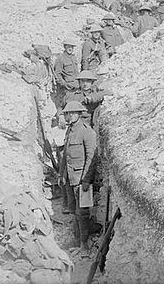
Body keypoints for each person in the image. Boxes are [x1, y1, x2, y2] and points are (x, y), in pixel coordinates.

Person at [59, 100, 97, 250]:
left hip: (81, 179)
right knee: (73, 209)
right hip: (70, 177)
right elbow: (65, 155)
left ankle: (84, 244)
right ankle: (77, 239)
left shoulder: (87, 132)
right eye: (67, 113)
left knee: (82, 213)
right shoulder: (70, 130)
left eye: (72, 113)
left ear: (79, 114)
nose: (69, 116)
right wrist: (61, 174)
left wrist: (86, 180)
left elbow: (92, 158)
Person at [51, 38, 80, 109]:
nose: (70, 48)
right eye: (68, 46)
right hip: (67, 88)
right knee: (68, 107)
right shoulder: (60, 58)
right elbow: (57, 74)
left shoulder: (74, 57)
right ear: (65, 47)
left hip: (76, 86)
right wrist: (64, 84)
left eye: (72, 47)